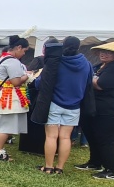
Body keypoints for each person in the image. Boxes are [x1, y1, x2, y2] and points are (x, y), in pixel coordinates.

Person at [33, 37, 93, 174]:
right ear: (79, 47)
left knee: (51, 136)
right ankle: (60, 168)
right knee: (66, 137)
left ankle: (48, 167)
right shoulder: (87, 64)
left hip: (54, 103)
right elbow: (89, 83)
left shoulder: (56, 61)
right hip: (74, 106)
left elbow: (41, 83)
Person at [76, 41, 114, 180]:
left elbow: (101, 85)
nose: (103, 54)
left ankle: (111, 170)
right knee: (93, 136)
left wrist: (91, 79)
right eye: (102, 51)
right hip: (100, 108)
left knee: (106, 139)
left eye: (108, 52)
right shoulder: (104, 66)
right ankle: (95, 162)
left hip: (111, 109)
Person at [0, 35, 31, 161]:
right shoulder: (12, 61)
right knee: (5, 126)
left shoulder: (3, 58)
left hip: (2, 94)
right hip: (8, 96)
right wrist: (27, 76)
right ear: (18, 47)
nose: (23, 53)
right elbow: (16, 81)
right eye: (24, 51)